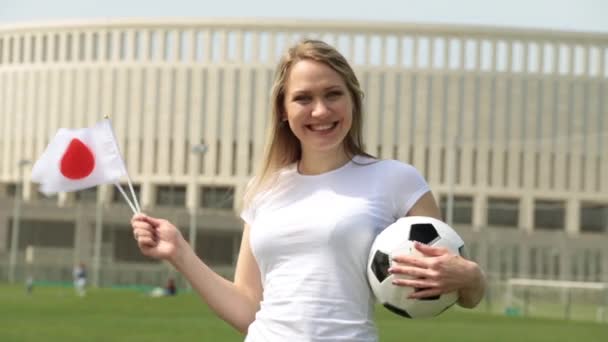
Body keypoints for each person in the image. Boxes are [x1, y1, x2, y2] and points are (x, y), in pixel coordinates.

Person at [131, 39, 486, 341]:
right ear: (283, 111)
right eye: (303, 98)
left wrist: (471, 276)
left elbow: (453, 291)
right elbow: (248, 308)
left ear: (353, 101)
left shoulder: (397, 180)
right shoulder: (263, 189)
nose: (320, 110)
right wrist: (180, 254)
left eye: (333, 94)